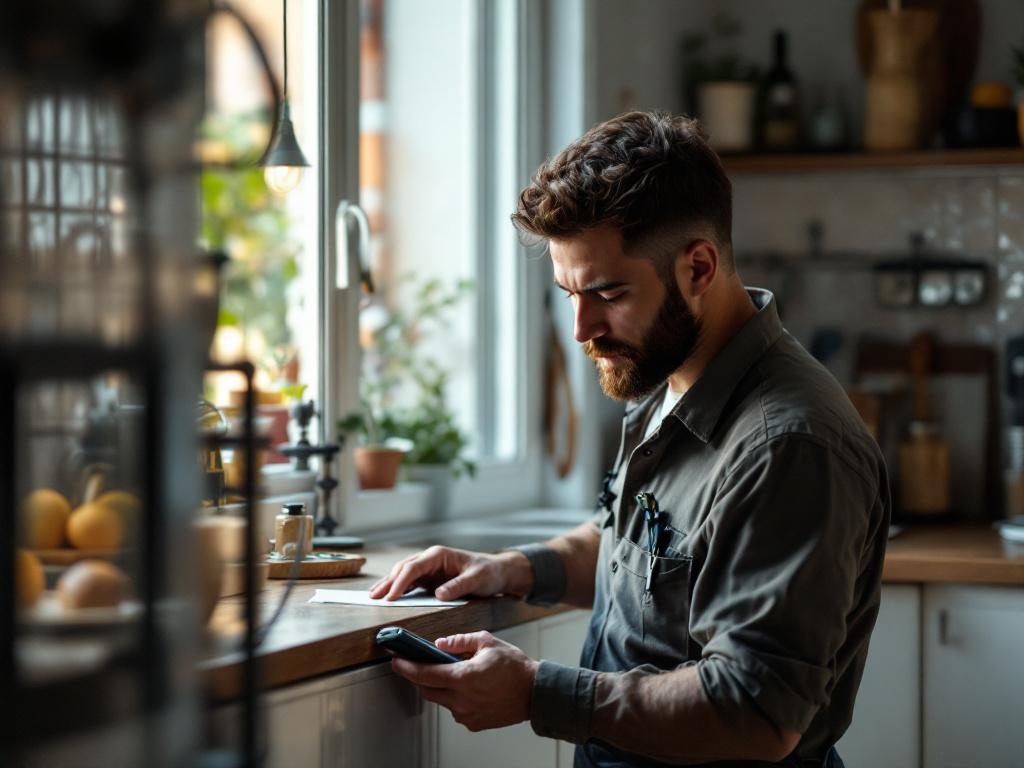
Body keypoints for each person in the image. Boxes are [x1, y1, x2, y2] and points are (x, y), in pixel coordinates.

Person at [369, 111, 890, 768]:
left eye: (607, 293)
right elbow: (645, 551)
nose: (583, 328)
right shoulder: (668, 375)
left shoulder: (788, 446)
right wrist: (516, 569)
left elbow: (757, 711)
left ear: (698, 267)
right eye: (569, 294)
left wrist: (537, 693)